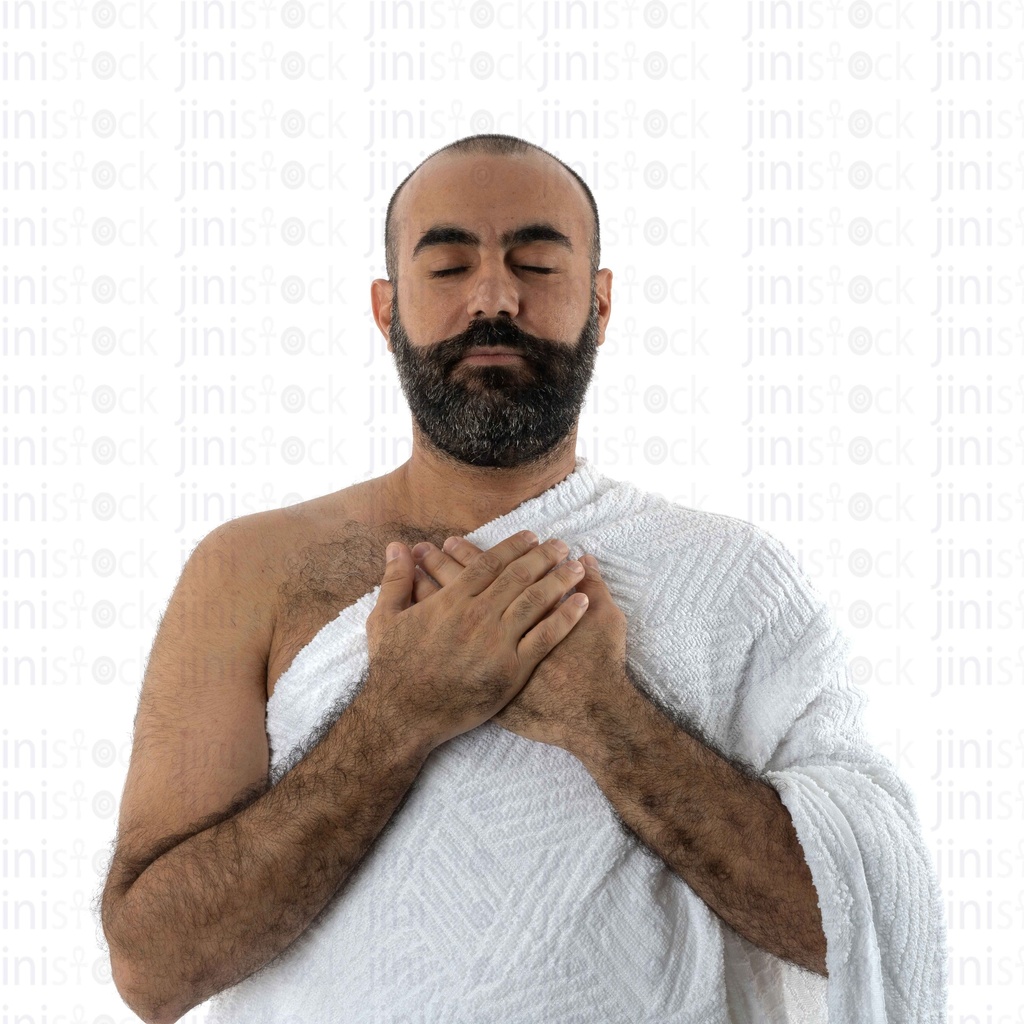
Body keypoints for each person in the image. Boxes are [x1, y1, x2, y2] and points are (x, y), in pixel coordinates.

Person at [100, 134, 946, 1023]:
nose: (494, 298)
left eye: (537, 264)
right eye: (449, 266)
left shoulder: (737, 580)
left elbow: (856, 924)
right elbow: (153, 970)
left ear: (601, 303)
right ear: (387, 310)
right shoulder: (252, 570)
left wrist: (606, 718)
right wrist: (399, 713)